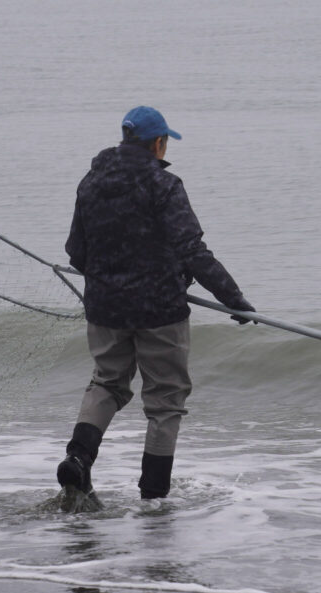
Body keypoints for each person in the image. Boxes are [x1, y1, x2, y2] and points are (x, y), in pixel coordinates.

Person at [58, 105, 255, 505]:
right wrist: (235, 301)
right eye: (165, 143)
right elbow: (193, 252)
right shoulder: (163, 184)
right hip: (159, 310)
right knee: (165, 400)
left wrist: (107, 279)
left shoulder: (90, 183)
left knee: (107, 383)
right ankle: (153, 500)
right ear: (157, 143)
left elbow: (75, 252)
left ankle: (78, 458)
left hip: (105, 308)